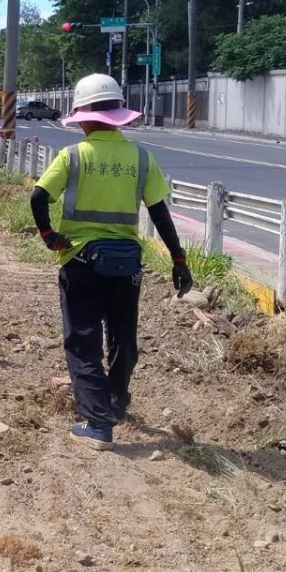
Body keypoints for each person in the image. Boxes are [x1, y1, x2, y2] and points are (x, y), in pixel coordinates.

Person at [30, 74, 194, 451]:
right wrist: (178, 258)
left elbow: (39, 197)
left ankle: (98, 423)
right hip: (126, 265)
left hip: (81, 260)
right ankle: (117, 403)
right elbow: (159, 212)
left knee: (83, 340)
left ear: (83, 118)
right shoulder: (140, 157)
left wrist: (48, 236)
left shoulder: (72, 156)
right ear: (118, 115)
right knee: (123, 337)